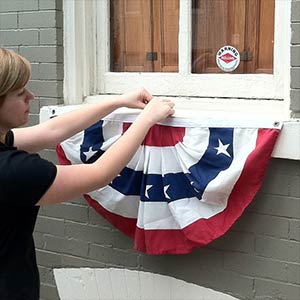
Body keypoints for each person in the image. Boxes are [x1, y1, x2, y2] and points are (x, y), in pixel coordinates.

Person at [0, 48, 175, 299]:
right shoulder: (12, 171)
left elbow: (52, 131)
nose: (31, 96)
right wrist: (146, 119)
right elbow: (100, 173)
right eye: (19, 93)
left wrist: (117, 101)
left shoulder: (5, 144)